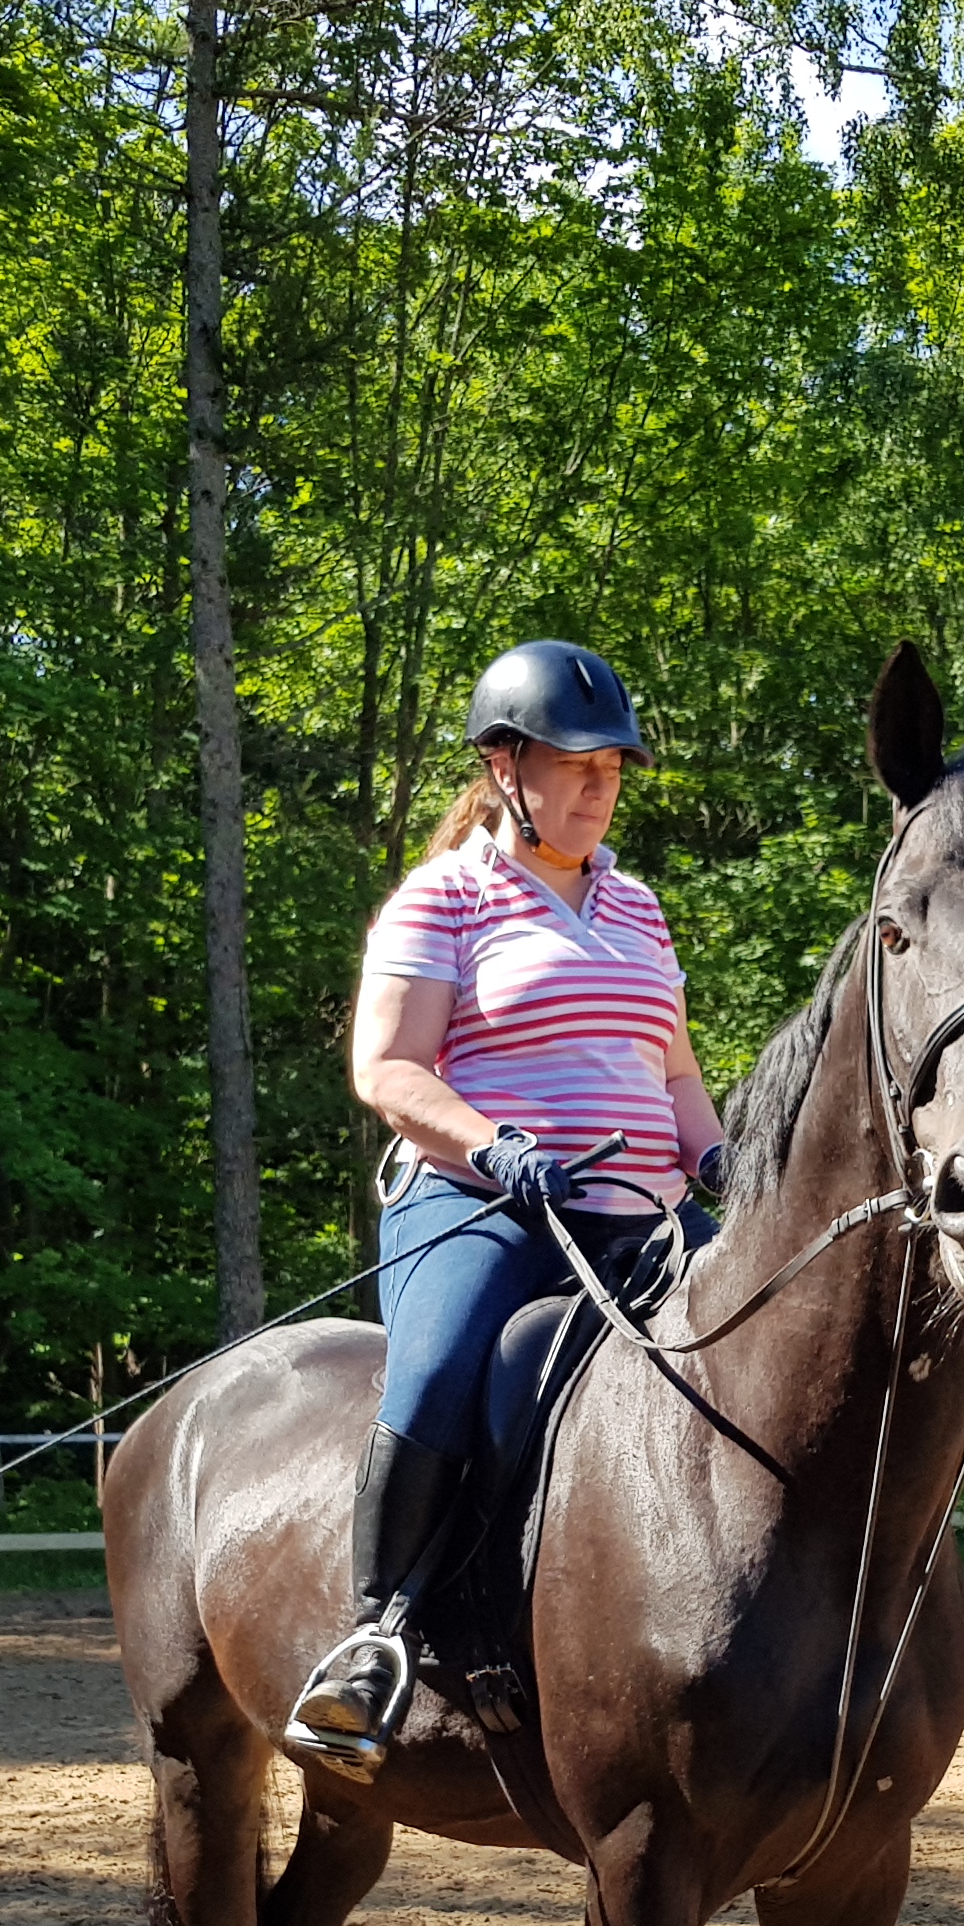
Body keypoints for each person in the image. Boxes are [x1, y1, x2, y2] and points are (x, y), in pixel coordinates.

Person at [282, 638, 727, 1780]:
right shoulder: (444, 897)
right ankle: (375, 1639)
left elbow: (672, 1072)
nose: (598, 784)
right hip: (485, 1207)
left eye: (612, 765)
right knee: (438, 1376)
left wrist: (720, 1153)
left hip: (645, 1218)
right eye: (574, 763)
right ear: (505, 767)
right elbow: (386, 1069)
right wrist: (496, 1145)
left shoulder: (639, 908)